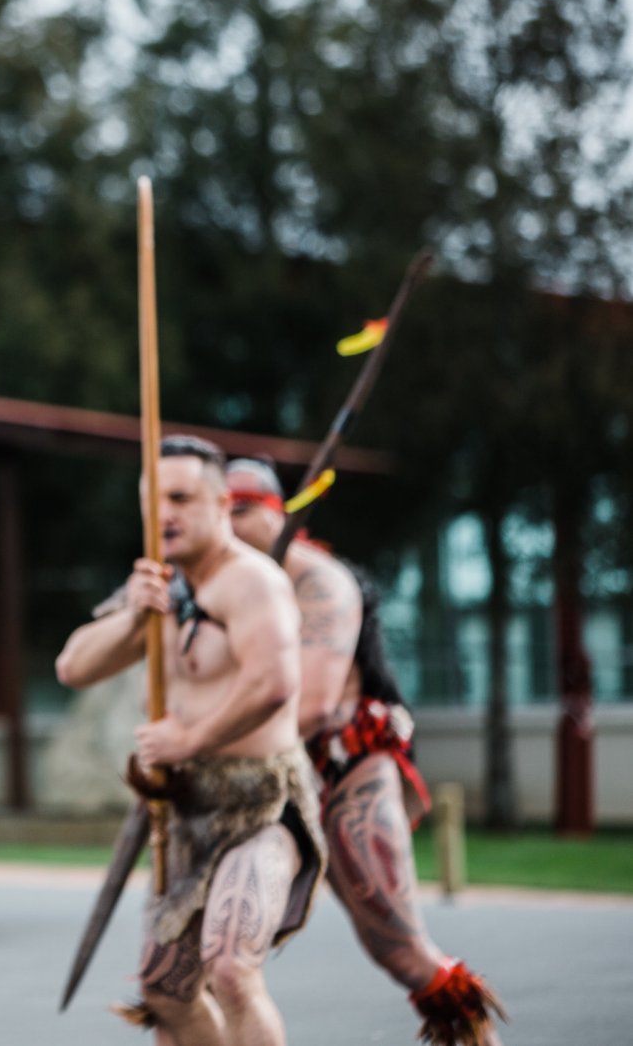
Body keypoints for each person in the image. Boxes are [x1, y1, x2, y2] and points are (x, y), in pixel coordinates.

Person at [226, 458, 504, 1046]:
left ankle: (468, 1030)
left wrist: (202, 741)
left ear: (280, 516)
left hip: (341, 769)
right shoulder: (210, 590)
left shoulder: (319, 581)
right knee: (215, 953)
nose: (227, 524)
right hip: (257, 783)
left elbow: (315, 701)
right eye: (216, 510)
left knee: (399, 950)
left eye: (242, 510)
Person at [56, 435, 323, 1045]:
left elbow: (275, 683)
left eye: (180, 498)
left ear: (221, 502)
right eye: (153, 501)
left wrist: (192, 737)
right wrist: (133, 617)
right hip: (189, 813)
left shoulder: (252, 582)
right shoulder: (157, 586)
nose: (165, 515)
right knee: (166, 991)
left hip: (262, 806)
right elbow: (72, 667)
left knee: (230, 969)